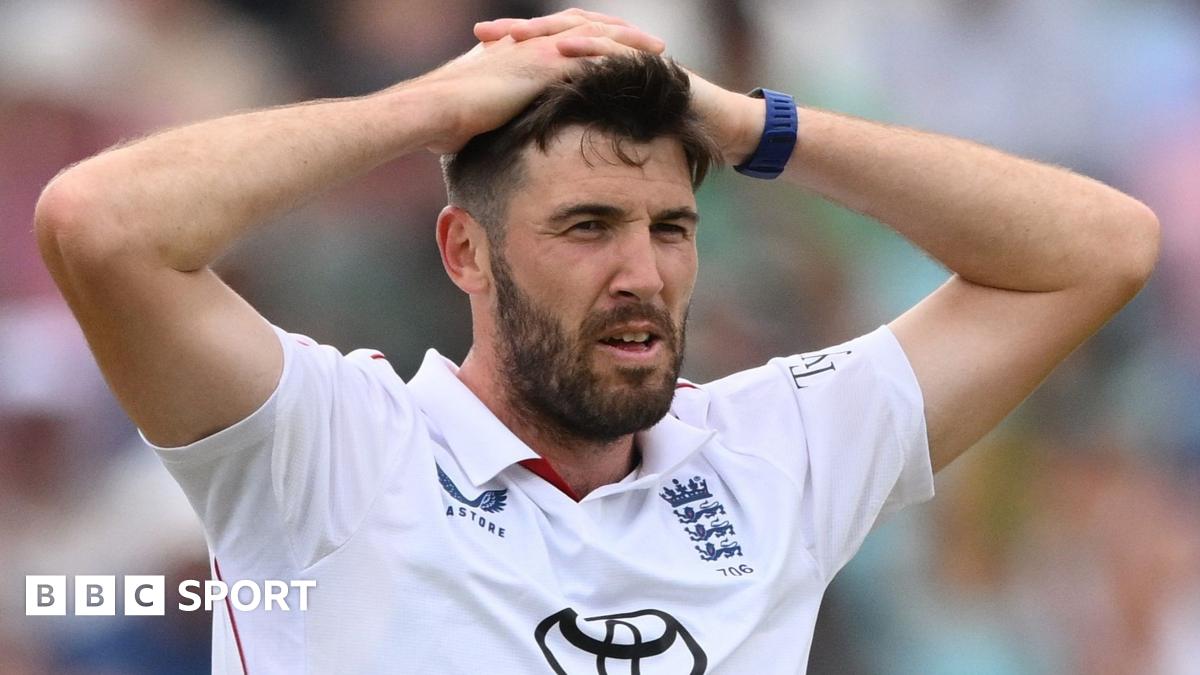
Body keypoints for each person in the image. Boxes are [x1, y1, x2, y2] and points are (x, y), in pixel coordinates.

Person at [34, 8, 1158, 674]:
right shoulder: (327, 449)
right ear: (464, 253)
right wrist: (426, 109)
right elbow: (100, 227)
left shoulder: (778, 452)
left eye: (672, 227)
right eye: (587, 227)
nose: (643, 273)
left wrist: (744, 124)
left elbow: (1098, 247)